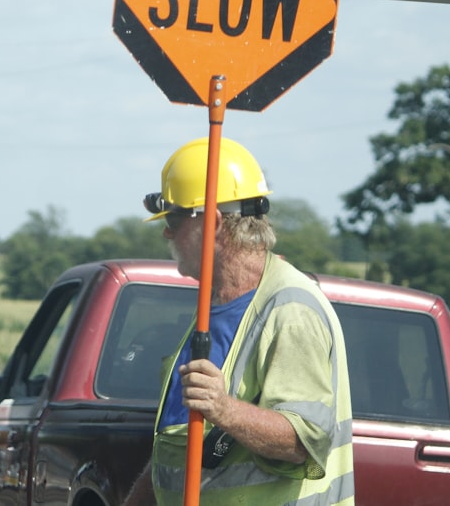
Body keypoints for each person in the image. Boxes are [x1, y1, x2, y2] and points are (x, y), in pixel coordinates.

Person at [123, 137, 354, 506]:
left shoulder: (290, 310)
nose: (166, 232)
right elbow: (182, 446)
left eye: (174, 219)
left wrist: (224, 409)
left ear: (212, 222)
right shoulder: (214, 306)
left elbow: (303, 440)